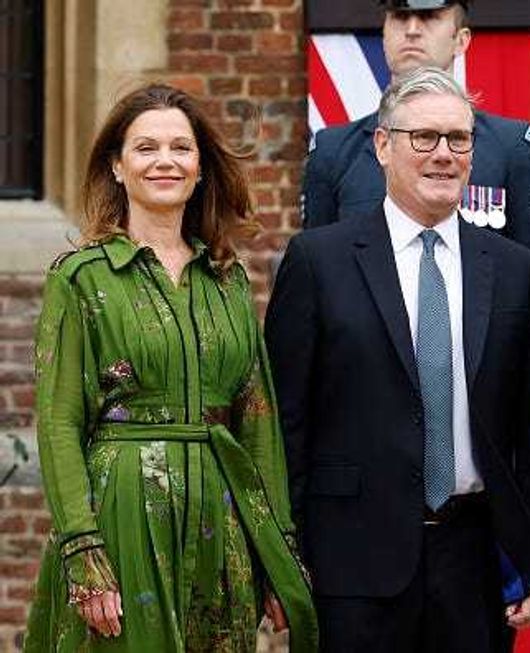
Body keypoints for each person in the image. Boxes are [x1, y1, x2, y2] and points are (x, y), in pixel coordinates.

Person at [266, 66, 530, 652]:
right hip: (351, 561)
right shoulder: (318, 262)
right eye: (423, 137)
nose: (443, 154)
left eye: (459, 139)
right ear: (383, 145)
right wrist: (281, 551)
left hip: (477, 563)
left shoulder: (514, 270)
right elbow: (284, 422)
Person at [24, 84, 316, 652]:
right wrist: (83, 548)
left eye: (181, 148)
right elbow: (59, 423)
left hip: (220, 516)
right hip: (123, 513)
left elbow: (256, 419)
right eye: (146, 147)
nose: (165, 161)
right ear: (116, 165)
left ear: (201, 167)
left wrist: (276, 545)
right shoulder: (82, 278)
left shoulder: (227, 280)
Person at [302, 0, 530, 287]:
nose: (411, 30)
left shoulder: (510, 148)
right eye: (399, 17)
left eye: (428, 17)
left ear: (461, 40)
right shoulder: (333, 151)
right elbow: (317, 275)